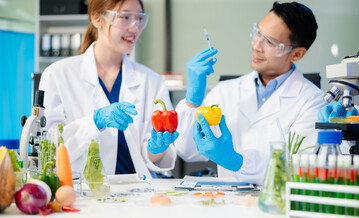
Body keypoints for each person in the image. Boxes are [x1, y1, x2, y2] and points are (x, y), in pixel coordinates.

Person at [175, 2, 326, 184]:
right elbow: (187, 150)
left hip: (277, 206)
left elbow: (299, 169)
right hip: (225, 205)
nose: (256, 45)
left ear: (297, 54)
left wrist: (237, 162)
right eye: (258, 33)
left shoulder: (314, 103)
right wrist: (193, 100)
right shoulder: (226, 91)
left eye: (270, 42)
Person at [39, 0, 179, 179]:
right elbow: (49, 150)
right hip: (83, 192)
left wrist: (156, 149)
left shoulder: (152, 81)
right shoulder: (57, 75)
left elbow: (152, 158)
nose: (135, 28)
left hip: (138, 193)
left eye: (139, 19)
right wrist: (94, 123)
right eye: (125, 17)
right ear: (97, 19)